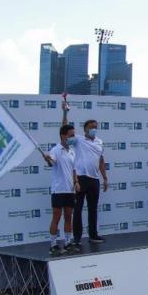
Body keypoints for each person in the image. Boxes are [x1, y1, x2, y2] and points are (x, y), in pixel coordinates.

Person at [62, 101, 107, 244]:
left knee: (93, 209)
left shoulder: (100, 142)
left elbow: (101, 160)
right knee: (78, 209)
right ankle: (77, 238)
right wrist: (65, 112)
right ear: (85, 129)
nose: (94, 129)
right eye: (91, 127)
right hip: (80, 178)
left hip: (94, 179)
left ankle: (93, 235)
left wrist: (105, 177)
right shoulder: (79, 140)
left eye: (96, 127)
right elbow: (65, 129)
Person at [42, 125, 81, 254]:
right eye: (70, 135)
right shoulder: (56, 150)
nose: (72, 138)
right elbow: (51, 162)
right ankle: (53, 245)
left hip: (70, 190)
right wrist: (48, 159)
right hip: (58, 190)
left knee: (68, 217)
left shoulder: (72, 151)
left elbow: (74, 169)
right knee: (56, 217)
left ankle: (68, 243)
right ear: (63, 136)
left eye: (73, 135)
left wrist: (76, 182)